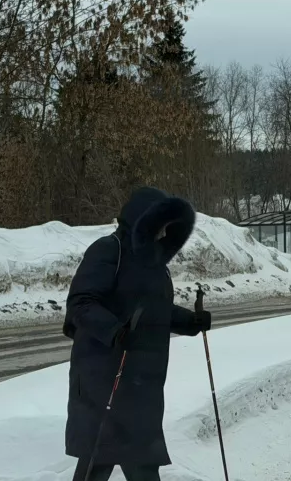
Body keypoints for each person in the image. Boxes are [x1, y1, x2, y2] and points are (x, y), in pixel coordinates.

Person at [64, 187, 213, 481]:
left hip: (142, 384)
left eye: (169, 228)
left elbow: (155, 310)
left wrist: (190, 321)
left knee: (140, 460)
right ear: (144, 223)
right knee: (100, 459)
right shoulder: (108, 250)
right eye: (160, 226)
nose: (163, 234)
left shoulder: (154, 264)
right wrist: (115, 331)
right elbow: (80, 303)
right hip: (104, 378)